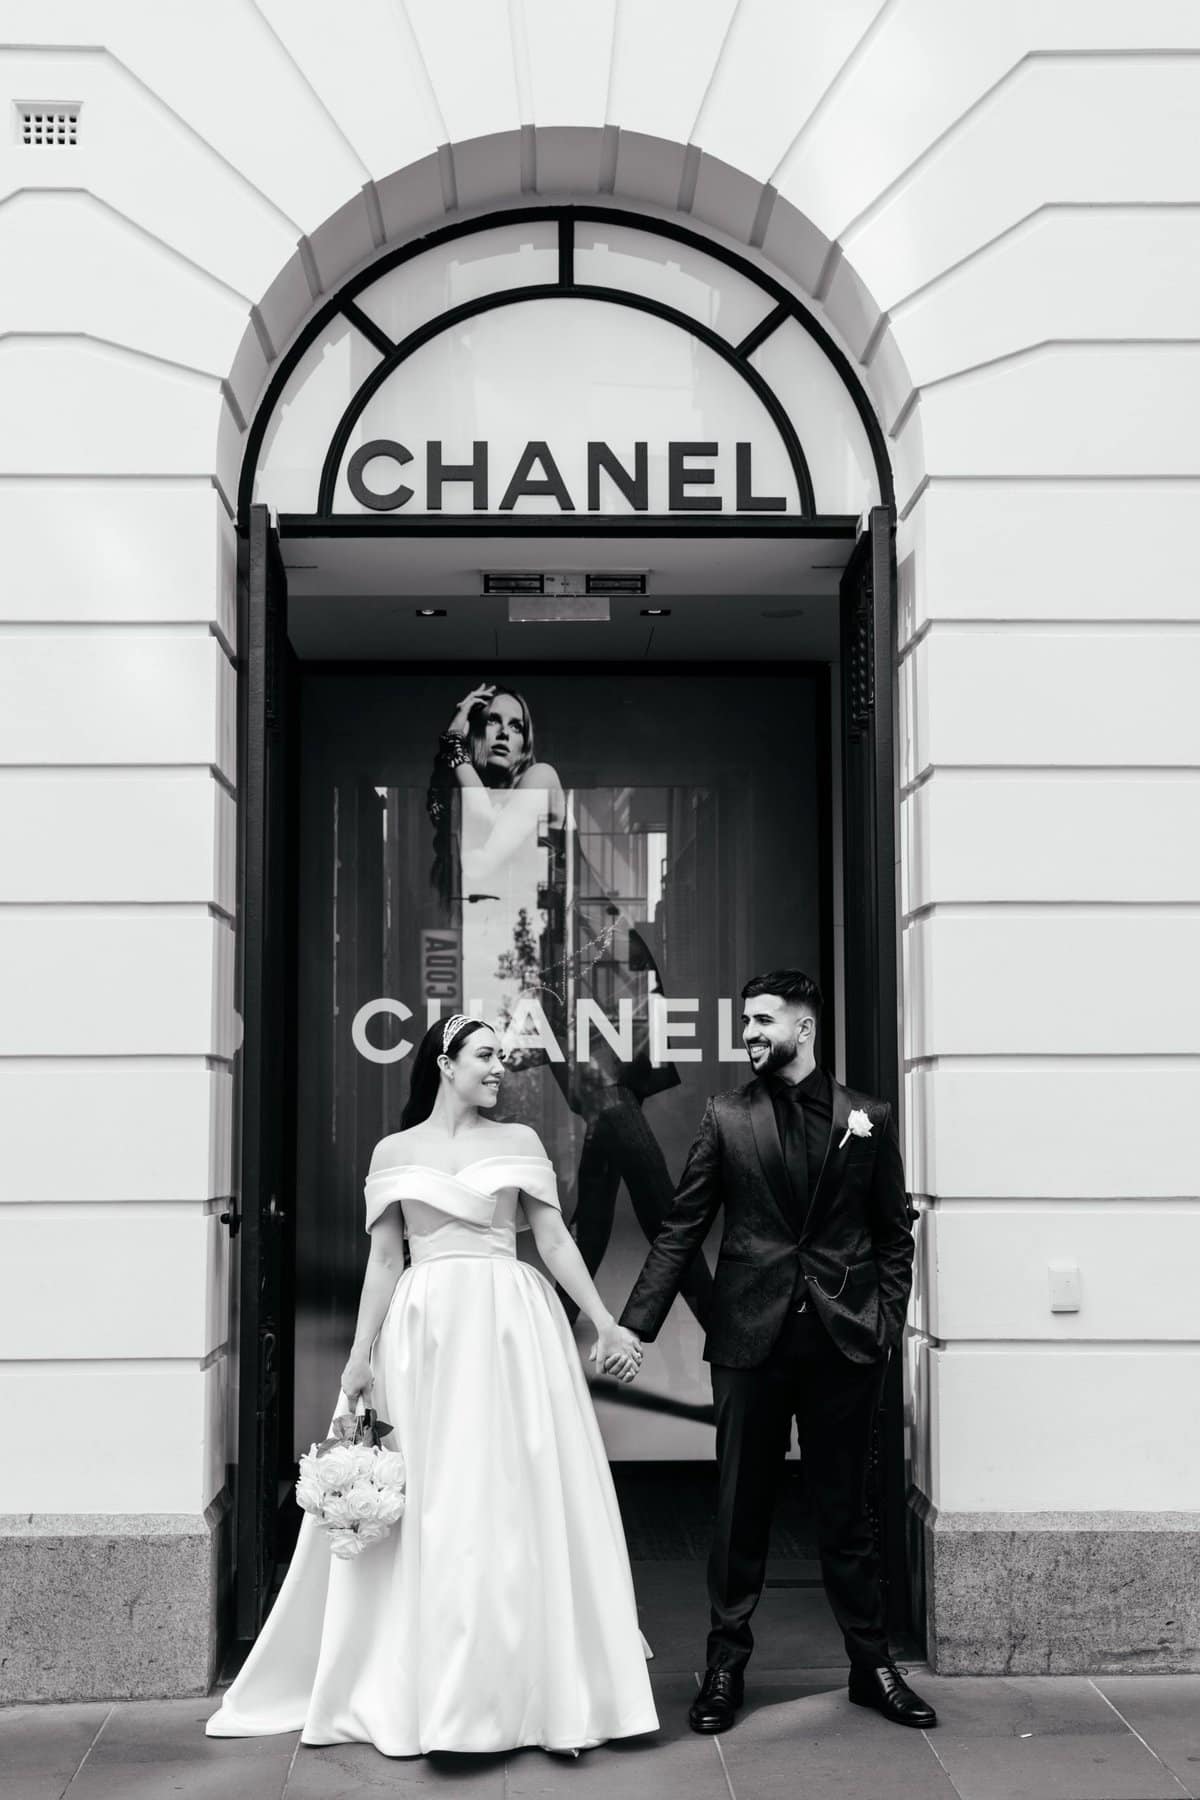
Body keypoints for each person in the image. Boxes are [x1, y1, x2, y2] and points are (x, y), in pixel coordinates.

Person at [207, 1014, 657, 1758]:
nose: (499, 1069)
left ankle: (547, 1692)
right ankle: (443, 1693)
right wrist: (358, 1360)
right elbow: (386, 1259)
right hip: (425, 1335)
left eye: (501, 1059)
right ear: (445, 1064)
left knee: (520, 1492)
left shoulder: (520, 1143)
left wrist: (606, 1323)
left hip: (511, 1327)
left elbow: (552, 1239)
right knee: (441, 1500)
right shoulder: (395, 1151)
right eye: (485, 1056)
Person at [617, 970, 937, 1735]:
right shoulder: (727, 1116)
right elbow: (681, 1226)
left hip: (843, 1342)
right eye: (746, 1023)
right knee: (739, 1512)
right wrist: (636, 1324)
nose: (750, 1034)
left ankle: (871, 1664)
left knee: (847, 1513)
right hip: (749, 1342)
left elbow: (895, 1233)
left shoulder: (869, 1116)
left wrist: (886, 1323)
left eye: (763, 1020)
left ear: (805, 1024)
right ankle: (725, 1665)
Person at [427, 680, 714, 1333]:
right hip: (559, 982)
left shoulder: (540, 782)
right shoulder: (483, 800)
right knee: (609, 1164)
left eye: (516, 726)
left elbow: (490, 856)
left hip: (602, 975)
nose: (503, 733)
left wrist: (456, 757)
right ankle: (559, 1325)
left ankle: (721, 1325)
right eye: (488, 723)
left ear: (530, 746)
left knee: (631, 1158)